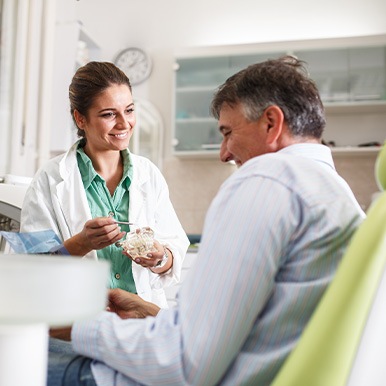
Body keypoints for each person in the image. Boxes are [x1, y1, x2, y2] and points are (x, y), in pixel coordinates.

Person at [47, 56, 365, 385]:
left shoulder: (267, 181)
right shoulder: (337, 193)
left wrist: (80, 326)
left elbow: (184, 362)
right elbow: (249, 329)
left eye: (228, 132)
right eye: (109, 113)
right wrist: (154, 313)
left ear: (271, 123)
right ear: (80, 119)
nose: (224, 153)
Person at [21, 61, 189, 308]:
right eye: (109, 114)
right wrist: (82, 243)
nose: (124, 123)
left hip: (141, 325)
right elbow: (31, 269)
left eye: (129, 110)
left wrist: (159, 256)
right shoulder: (50, 179)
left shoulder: (148, 175)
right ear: (80, 119)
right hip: (77, 324)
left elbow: (174, 251)